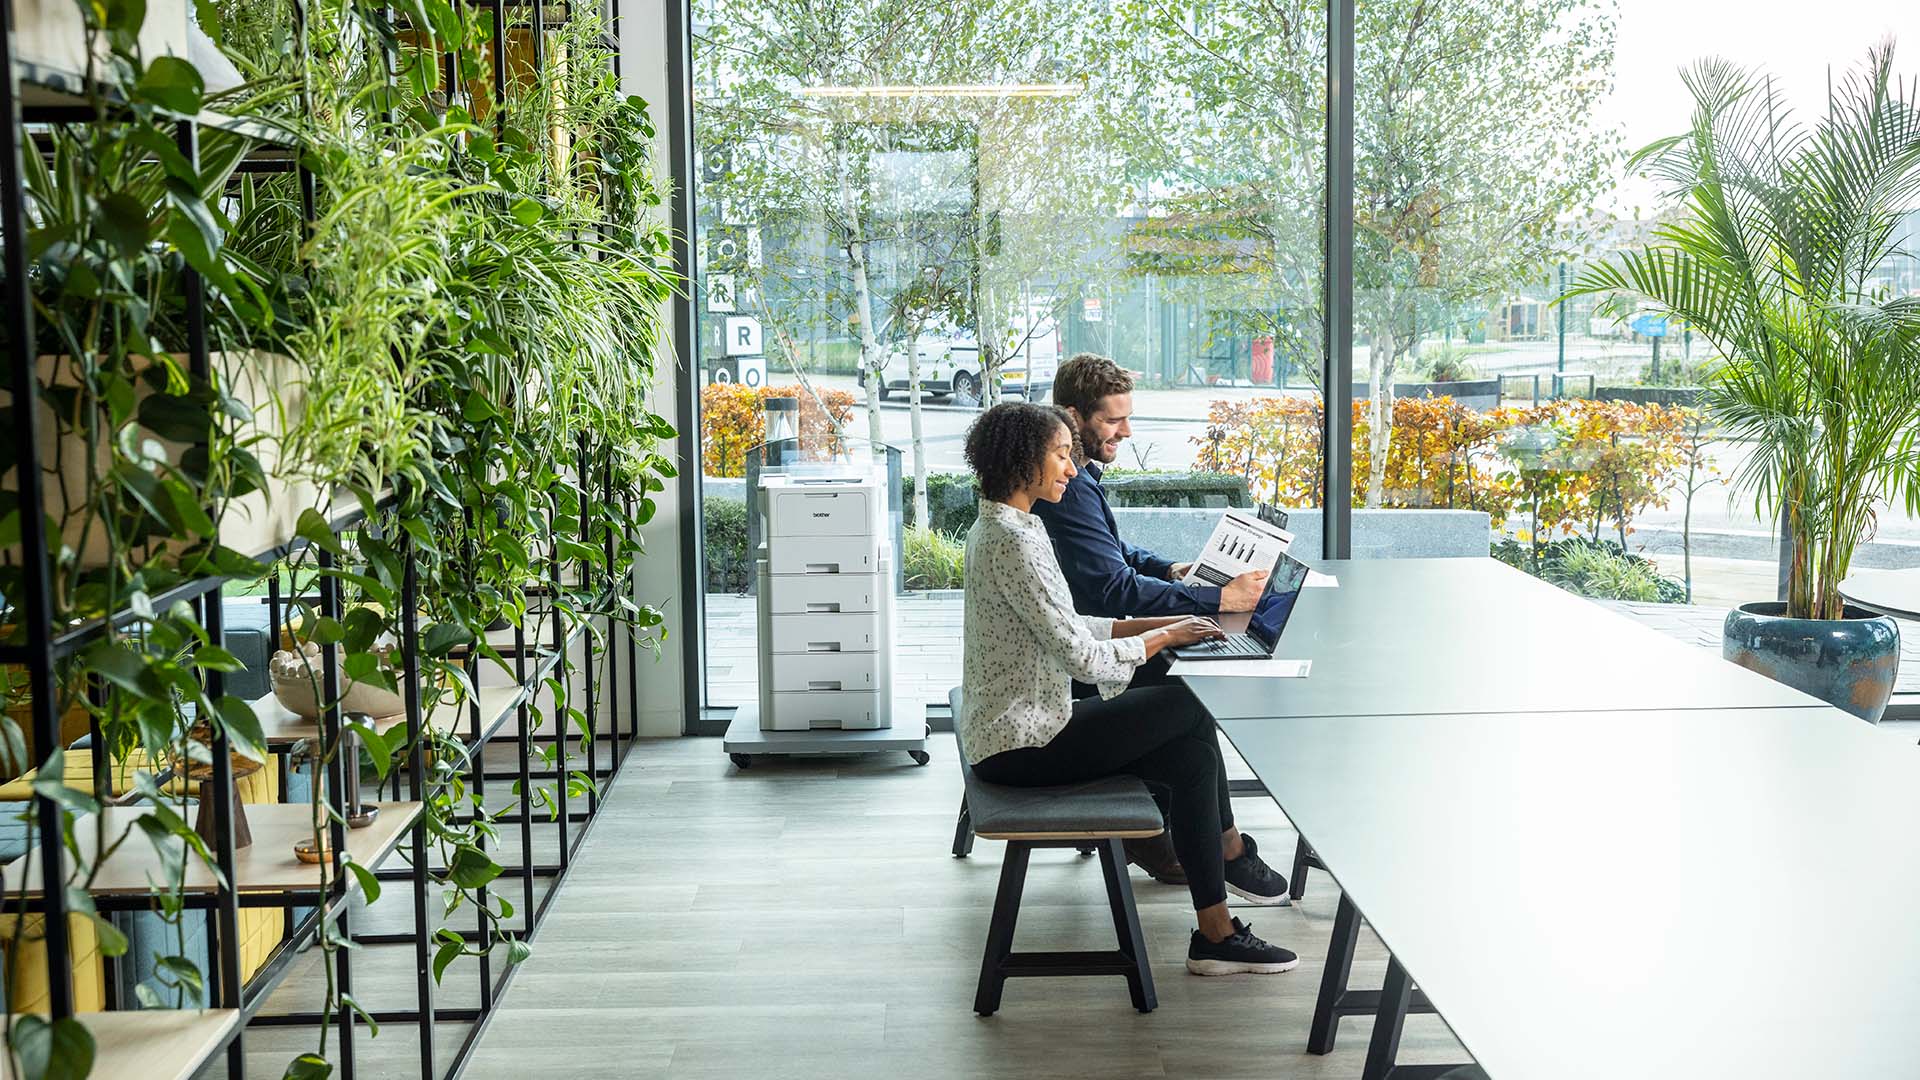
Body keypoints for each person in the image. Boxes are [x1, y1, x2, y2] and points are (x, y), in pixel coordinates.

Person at [957, 401, 1298, 976]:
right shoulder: (1011, 542)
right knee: (1191, 700)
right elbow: (1081, 656)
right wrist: (1163, 639)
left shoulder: (1014, 525)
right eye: (1062, 455)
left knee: (1190, 753)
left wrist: (1161, 628)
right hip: (1021, 744)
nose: (1071, 468)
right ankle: (1229, 859)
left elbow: (1070, 624)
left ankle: (1216, 933)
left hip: (1028, 727)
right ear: (1024, 461)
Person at [1033, 352, 1275, 887]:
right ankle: (1206, 844)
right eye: (1113, 419)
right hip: (1076, 667)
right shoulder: (1066, 488)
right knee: (1187, 688)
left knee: (1184, 683)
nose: (1126, 430)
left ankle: (1205, 843)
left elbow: (1113, 552)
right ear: (1073, 417)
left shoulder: (1075, 477)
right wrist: (1217, 600)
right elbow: (1110, 588)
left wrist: (1172, 569)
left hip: (1085, 644)